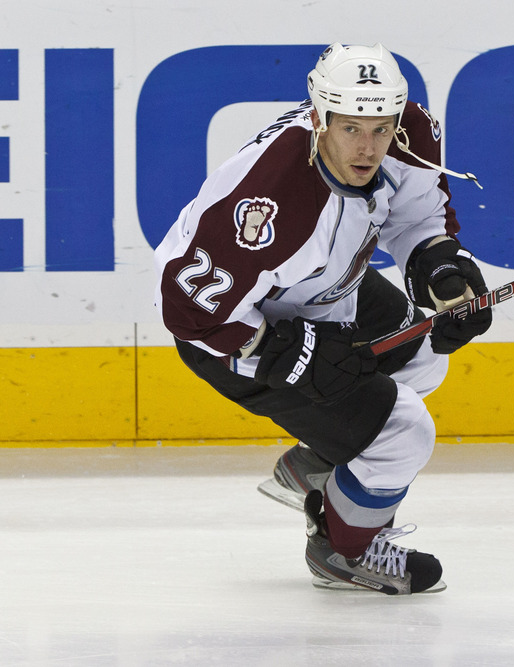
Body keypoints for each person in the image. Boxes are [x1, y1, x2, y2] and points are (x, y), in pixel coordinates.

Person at [153, 43, 492, 595]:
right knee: (403, 434)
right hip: (234, 338)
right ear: (319, 117)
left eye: (380, 129)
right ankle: (342, 549)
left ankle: (317, 469)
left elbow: (416, 219)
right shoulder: (266, 204)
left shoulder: (408, 133)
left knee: (425, 351)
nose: (368, 147)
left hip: (330, 290)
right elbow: (188, 312)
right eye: (351, 129)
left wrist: (442, 274)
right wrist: (287, 352)